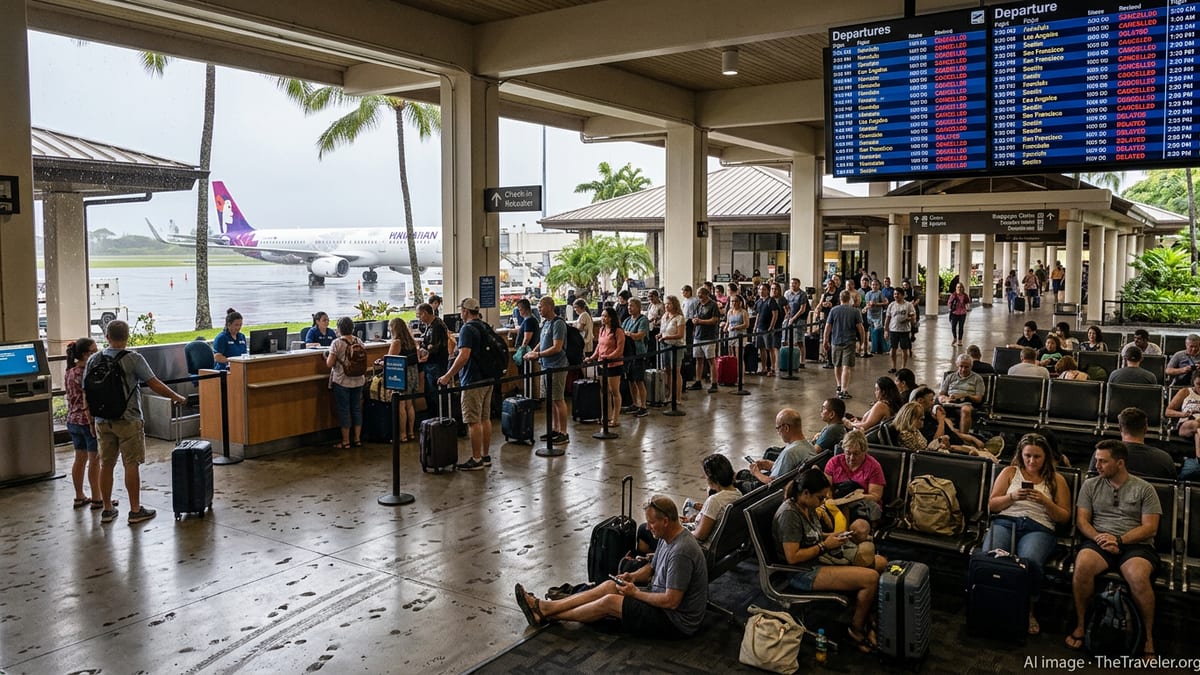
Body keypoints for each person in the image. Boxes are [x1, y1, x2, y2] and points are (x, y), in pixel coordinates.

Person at [514, 494, 707, 638]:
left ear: (665, 521)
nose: (647, 528)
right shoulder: (667, 536)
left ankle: (547, 612)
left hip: (676, 621)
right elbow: (651, 568)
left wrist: (636, 594)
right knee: (609, 586)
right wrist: (633, 577)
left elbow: (671, 601)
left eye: (651, 523)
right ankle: (546, 610)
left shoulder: (681, 552)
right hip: (662, 601)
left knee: (609, 602)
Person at [85, 320, 188, 524]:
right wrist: (176, 396)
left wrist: (90, 420)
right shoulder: (133, 359)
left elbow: (86, 391)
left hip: (102, 420)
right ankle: (135, 510)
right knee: (131, 464)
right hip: (129, 419)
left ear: (107, 337)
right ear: (127, 336)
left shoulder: (94, 359)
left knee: (106, 464)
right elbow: (154, 383)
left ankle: (107, 509)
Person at [1065, 441, 1162, 657]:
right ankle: (1082, 624)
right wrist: (1100, 538)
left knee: (1137, 576)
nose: (1096, 465)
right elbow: (1082, 522)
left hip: (1135, 544)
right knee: (1083, 566)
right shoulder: (1091, 485)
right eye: (1096, 460)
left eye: (1102, 461)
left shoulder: (1144, 489)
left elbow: (1150, 528)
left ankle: (1147, 636)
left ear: (1120, 463)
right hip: (1099, 540)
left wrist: (1119, 540)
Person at [773, 469, 885, 653]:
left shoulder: (807, 506)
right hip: (802, 572)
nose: (823, 501)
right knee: (871, 578)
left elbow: (814, 535)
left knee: (880, 562)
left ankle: (869, 617)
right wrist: (825, 545)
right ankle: (855, 630)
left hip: (818, 558)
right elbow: (792, 557)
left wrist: (834, 536)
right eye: (820, 497)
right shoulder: (789, 515)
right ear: (806, 493)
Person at [984, 432, 1072, 636]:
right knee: (993, 557)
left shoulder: (1056, 479)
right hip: (1006, 521)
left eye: (1037, 457)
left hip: (1039, 526)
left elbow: (1064, 517)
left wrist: (1045, 501)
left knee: (1029, 561)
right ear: (1021, 455)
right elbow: (993, 505)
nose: (1031, 461)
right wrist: (1012, 496)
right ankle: (992, 604)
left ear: (1046, 457)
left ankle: (1028, 608)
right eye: (1027, 456)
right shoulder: (1009, 472)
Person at [438, 298, 495, 471]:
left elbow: (464, 356)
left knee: (473, 421)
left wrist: (448, 376)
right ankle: (485, 455)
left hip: (472, 380)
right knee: (485, 418)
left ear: (465, 311)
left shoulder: (467, 329)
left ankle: (476, 458)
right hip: (488, 377)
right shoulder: (484, 326)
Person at [526, 296, 571, 443]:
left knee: (558, 399)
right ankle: (555, 429)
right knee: (550, 400)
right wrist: (533, 351)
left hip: (557, 366)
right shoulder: (545, 323)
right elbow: (542, 341)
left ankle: (563, 432)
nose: (539, 309)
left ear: (550, 307)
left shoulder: (558, 324)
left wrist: (537, 354)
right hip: (545, 365)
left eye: (541, 306)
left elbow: (557, 347)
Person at [1085, 407, 1175, 479]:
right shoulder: (1164, 460)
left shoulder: (1101, 455)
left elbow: (1091, 485)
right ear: (1145, 429)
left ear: (1120, 428)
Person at [65, 337, 103, 510]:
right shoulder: (88, 373)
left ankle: (79, 496)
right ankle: (97, 498)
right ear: (85, 354)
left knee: (79, 459)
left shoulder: (70, 371)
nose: (96, 354)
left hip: (73, 420)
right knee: (94, 461)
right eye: (93, 352)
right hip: (88, 422)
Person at [741, 408, 816, 490]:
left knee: (740, 477)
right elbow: (788, 471)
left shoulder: (789, 453)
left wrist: (756, 473)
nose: (778, 433)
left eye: (778, 428)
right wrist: (771, 465)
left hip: (770, 491)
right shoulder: (809, 446)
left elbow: (774, 483)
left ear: (786, 428)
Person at [824, 429, 886, 526]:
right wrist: (831, 500)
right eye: (848, 453)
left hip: (862, 506)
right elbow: (825, 488)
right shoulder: (834, 462)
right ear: (843, 449)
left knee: (859, 528)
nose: (852, 458)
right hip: (837, 504)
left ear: (864, 451)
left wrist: (855, 498)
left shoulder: (873, 466)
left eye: (856, 453)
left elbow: (875, 496)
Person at [683, 455, 742, 548]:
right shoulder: (738, 494)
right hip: (726, 546)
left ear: (712, 479)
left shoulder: (715, 501)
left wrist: (678, 531)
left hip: (703, 548)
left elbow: (700, 536)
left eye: (706, 476)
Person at [326, 316, 367, 449]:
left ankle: (345, 441)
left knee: (344, 410)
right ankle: (357, 439)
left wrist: (326, 356)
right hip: (359, 380)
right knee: (356, 409)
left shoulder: (336, 343)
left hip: (342, 380)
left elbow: (330, 363)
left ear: (338, 329)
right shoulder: (359, 341)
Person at [585, 307, 625, 425]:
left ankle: (615, 418)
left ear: (611, 317)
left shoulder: (618, 331)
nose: (603, 318)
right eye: (602, 316)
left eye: (605, 316)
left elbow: (619, 349)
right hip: (602, 364)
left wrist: (610, 357)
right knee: (604, 391)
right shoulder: (602, 329)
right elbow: (599, 346)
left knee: (614, 391)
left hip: (614, 365)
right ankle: (605, 415)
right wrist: (592, 357)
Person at [823, 290, 866, 400]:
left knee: (837, 365)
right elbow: (861, 329)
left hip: (836, 341)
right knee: (846, 367)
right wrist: (862, 342)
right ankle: (844, 389)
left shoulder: (833, 310)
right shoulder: (855, 311)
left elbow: (828, 326)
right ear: (849, 299)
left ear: (840, 299)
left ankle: (838, 385)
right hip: (849, 341)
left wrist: (825, 340)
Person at [386, 317, 420, 443]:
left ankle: (402, 434)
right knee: (409, 404)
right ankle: (411, 432)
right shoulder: (411, 340)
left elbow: (390, 359)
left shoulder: (397, 342)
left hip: (401, 374)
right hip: (412, 373)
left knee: (400, 405)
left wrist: (381, 362)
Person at [416, 302, 450, 415]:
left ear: (425, 313)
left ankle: (439, 417)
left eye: (419, 315)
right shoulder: (431, 325)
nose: (419, 318)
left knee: (435, 393)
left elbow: (435, 346)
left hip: (436, 364)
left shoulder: (437, 326)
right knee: (431, 393)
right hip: (432, 364)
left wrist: (425, 350)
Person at [938, 354, 985, 432]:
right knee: (936, 408)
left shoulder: (977, 379)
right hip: (950, 402)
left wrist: (966, 395)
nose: (963, 369)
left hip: (966, 403)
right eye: (961, 366)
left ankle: (964, 437)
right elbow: (941, 394)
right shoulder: (950, 377)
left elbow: (978, 399)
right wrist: (945, 398)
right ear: (957, 365)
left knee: (965, 410)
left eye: (966, 367)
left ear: (971, 366)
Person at [621, 297, 651, 416]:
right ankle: (635, 403)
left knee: (639, 380)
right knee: (631, 380)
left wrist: (629, 334)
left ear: (638, 307)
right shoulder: (627, 320)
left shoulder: (643, 320)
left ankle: (643, 406)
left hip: (639, 353)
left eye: (632, 305)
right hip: (628, 354)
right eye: (628, 305)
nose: (629, 308)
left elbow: (640, 335)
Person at [688, 287, 721, 392]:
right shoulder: (698, 305)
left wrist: (701, 322)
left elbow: (714, 320)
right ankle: (698, 381)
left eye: (701, 294)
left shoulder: (713, 305)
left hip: (709, 337)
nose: (699, 296)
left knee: (711, 360)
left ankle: (714, 383)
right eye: (698, 294)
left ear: (707, 294)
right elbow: (695, 316)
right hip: (698, 336)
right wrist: (694, 321)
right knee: (698, 359)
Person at [658, 295, 687, 402]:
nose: (666, 306)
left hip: (676, 346)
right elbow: (663, 330)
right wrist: (661, 335)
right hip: (664, 345)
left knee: (676, 371)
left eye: (669, 304)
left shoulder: (679, 318)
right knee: (667, 370)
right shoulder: (665, 316)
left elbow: (680, 334)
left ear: (674, 305)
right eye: (665, 304)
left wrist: (667, 337)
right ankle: (670, 394)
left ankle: (677, 396)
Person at [884, 287, 916, 374]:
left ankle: (903, 367)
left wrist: (908, 319)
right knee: (893, 349)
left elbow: (913, 317)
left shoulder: (908, 305)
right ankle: (894, 366)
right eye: (894, 294)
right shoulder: (891, 305)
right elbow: (888, 318)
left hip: (905, 330)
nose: (896, 296)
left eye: (898, 294)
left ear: (902, 295)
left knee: (904, 349)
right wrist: (886, 330)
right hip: (893, 330)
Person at [754, 283, 782, 376]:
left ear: (768, 291)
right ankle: (764, 367)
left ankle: (773, 368)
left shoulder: (771, 301)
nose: (761, 291)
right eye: (760, 289)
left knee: (770, 348)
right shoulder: (759, 301)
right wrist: (755, 326)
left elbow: (775, 314)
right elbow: (758, 314)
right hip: (760, 328)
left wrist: (771, 327)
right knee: (761, 348)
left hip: (767, 329)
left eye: (764, 289)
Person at [784, 277, 810, 366]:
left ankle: (802, 360)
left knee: (800, 340)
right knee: (787, 339)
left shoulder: (802, 295)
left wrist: (794, 318)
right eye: (791, 283)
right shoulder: (787, 293)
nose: (793, 285)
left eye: (795, 283)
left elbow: (802, 309)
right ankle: (790, 359)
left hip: (800, 319)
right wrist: (787, 314)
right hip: (789, 318)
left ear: (798, 284)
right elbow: (785, 305)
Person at [947, 282, 970, 347]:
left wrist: (967, 307)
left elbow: (968, 302)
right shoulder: (953, 295)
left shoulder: (965, 295)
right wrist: (950, 309)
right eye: (958, 287)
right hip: (954, 313)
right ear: (956, 288)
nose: (959, 288)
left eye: (960, 287)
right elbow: (949, 303)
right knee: (953, 326)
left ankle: (960, 340)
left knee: (961, 327)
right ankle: (955, 338)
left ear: (962, 288)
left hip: (962, 313)